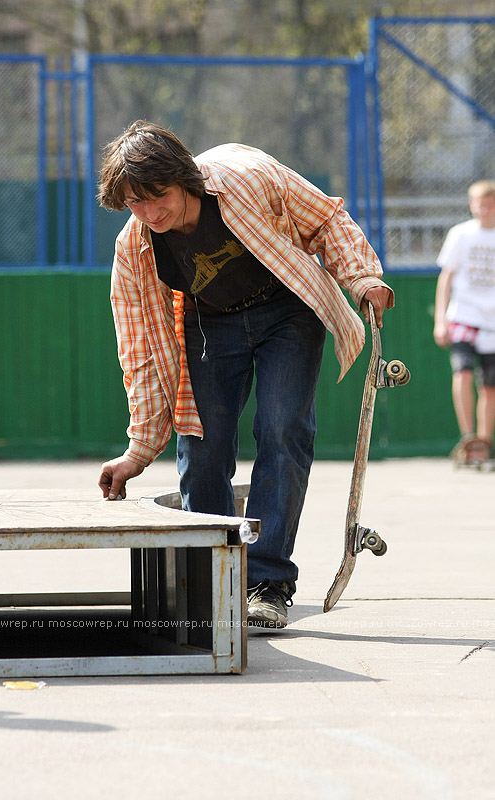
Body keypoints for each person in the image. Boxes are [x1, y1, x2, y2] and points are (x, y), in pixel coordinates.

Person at [97, 120, 394, 628]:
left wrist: (363, 277)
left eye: (157, 196)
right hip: (209, 324)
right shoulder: (135, 250)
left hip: (288, 310)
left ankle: (267, 582)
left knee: (283, 427)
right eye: (134, 203)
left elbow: (325, 219)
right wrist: (138, 450)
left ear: (183, 177)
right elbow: (141, 351)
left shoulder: (249, 178)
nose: (149, 213)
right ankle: (212, 580)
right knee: (202, 443)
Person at [434, 180, 495, 465]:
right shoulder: (460, 235)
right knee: (463, 373)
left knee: (489, 387)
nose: (485, 210)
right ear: (472, 205)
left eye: (490, 204)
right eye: (480, 204)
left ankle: (483, 443)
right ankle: (468, 435)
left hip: (491, 323)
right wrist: (440, 320)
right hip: (464, 317)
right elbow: (446, 277)